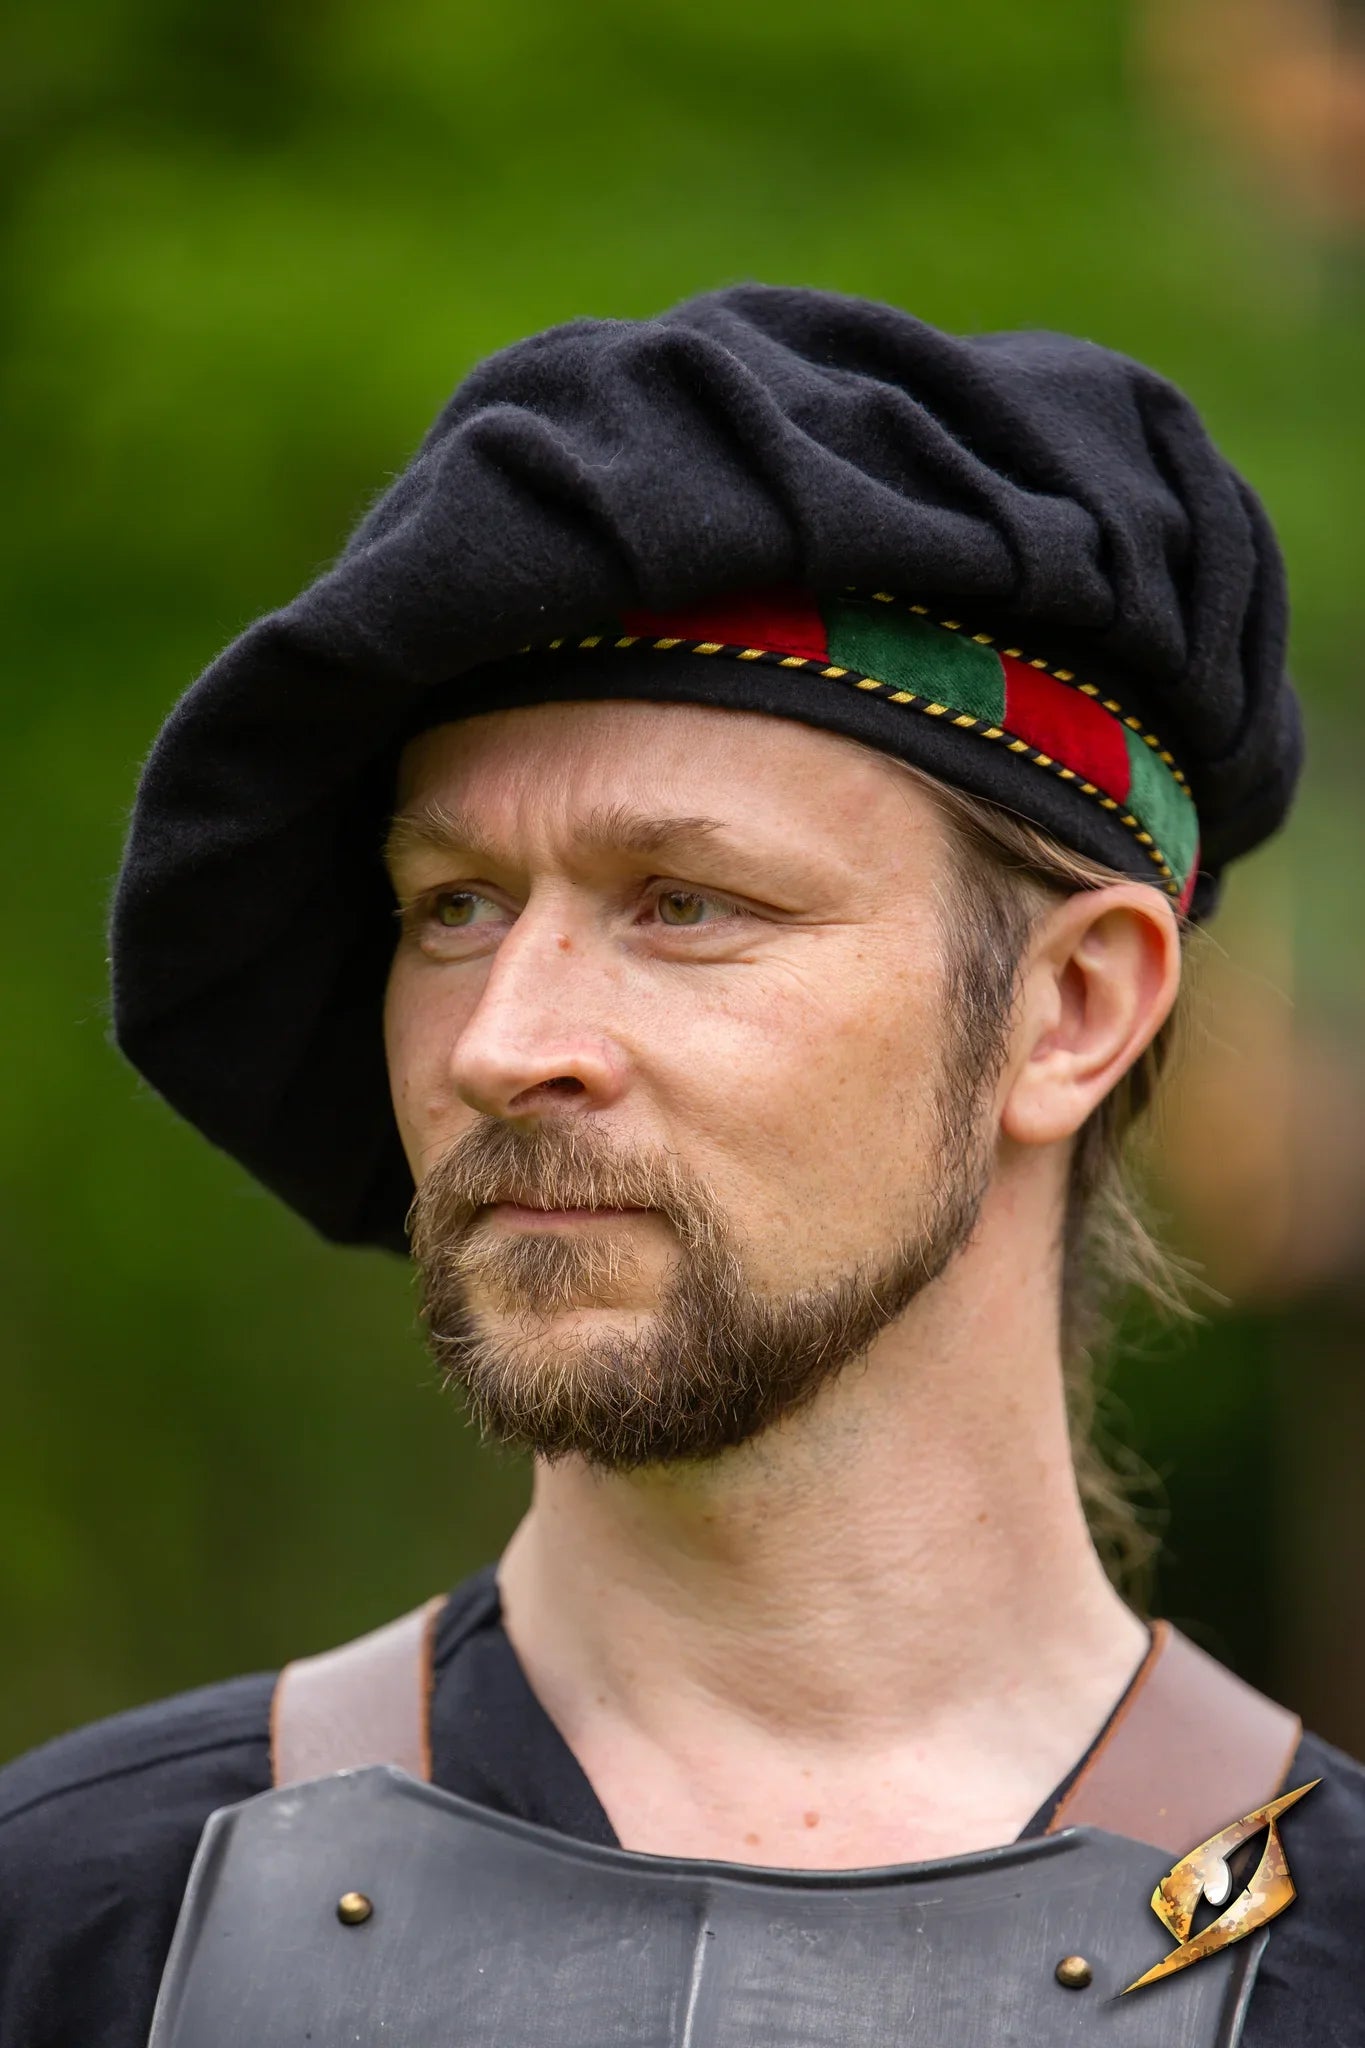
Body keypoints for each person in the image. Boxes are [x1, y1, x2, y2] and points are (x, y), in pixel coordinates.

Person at [2, 284, 1361, 2047]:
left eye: (685, 903)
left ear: (1067, 1011)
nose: (502, 1038)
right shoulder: (79, 1928)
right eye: (454, 906)